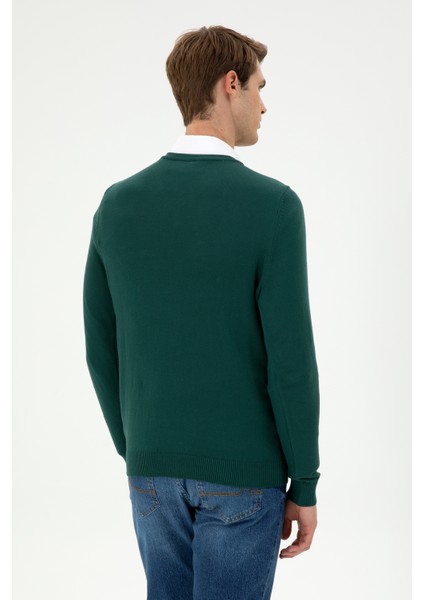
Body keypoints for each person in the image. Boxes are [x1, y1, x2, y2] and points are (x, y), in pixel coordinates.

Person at [83, 25, 321, 600]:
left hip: (152, 471)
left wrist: (138, 448)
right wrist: (306, 482)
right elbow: (290, 362)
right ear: (230, 83)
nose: (264, 105)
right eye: (259, 88)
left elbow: (100, 346)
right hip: (244, 474)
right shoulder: (273, 207)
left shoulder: (118, 204)